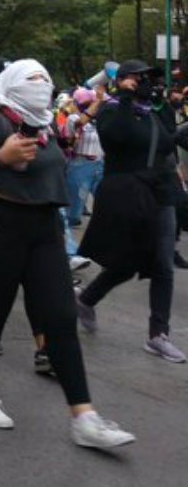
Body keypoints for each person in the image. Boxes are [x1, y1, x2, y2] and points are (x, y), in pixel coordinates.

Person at [0, 59, 134, 448]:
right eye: (31, 80)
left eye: (44, 79)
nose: (39, 86)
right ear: (11, 86)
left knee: (61, 316)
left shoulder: (46, 124)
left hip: (44, 230)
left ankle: (84, 417)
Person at [77, 59, 187, 363]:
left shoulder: (154, 111)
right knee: (126, 263)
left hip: (160, 192)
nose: (145, 83)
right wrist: (126, 98)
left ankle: (157, 334)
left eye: (148, 79)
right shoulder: (112, 109)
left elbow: (168, 142)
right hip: (127, 192)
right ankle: (86, 299)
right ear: (122, 80)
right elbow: (117, 138)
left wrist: (162, 103)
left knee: (163, 263)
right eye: (138, 78)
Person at [62, 87, 104, 228]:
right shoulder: (73, 118)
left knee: (105, 203)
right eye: (88, 102)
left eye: (92, 102)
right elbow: (80, 123)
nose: (92, 104)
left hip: (100, 164)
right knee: (73, 212)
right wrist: (97, 101)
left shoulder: (99, 120)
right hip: (80, 164)